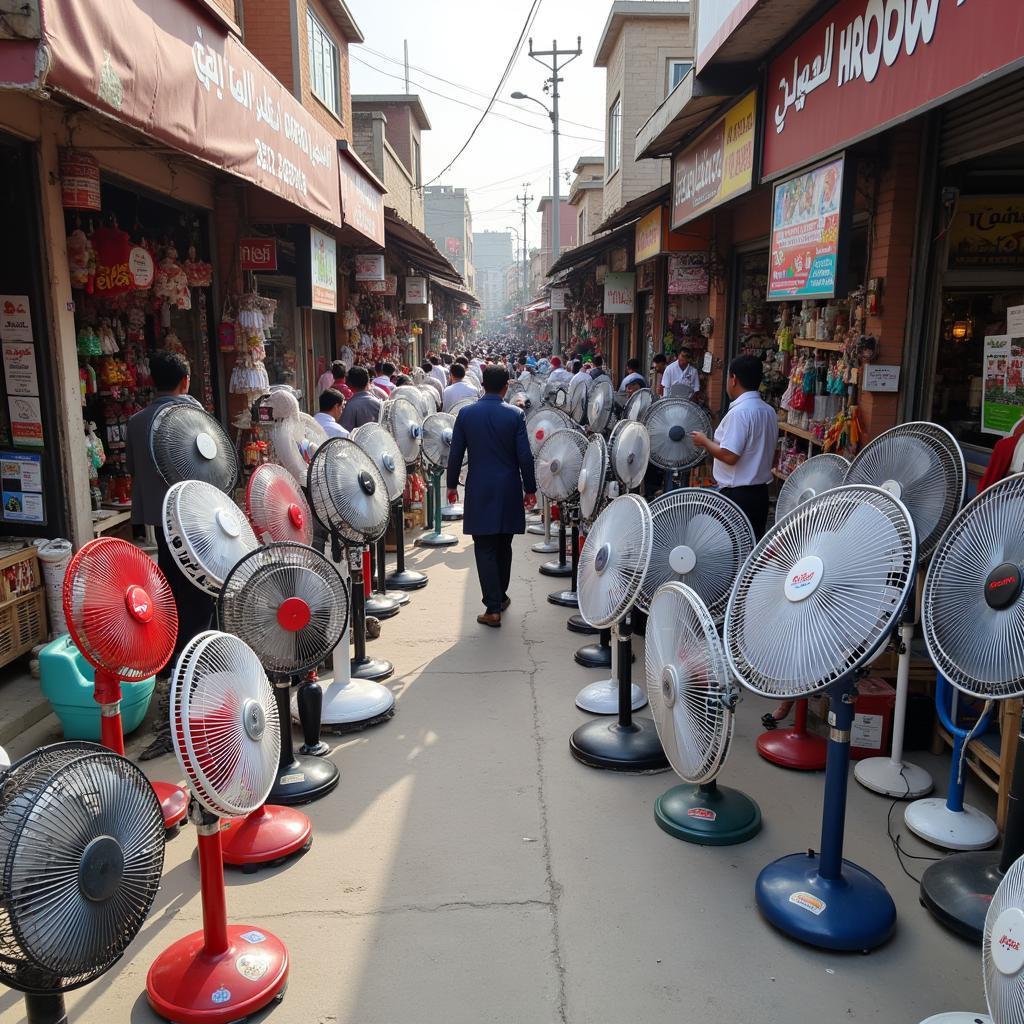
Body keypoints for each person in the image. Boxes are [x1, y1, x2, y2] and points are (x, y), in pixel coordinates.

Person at [125, 351, 215, 757]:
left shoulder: (136, 422)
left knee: (170, 585)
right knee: (201, 589)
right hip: (195, 518)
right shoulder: (192, 417)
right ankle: (197, 666)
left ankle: (175, 659)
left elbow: (132, 468)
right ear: (185, 381)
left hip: (160, 520)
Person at [447, 364, 537, 627]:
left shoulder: (466, 414)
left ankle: (493, 606)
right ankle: (500, 596)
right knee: (503, 544)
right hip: (508, 487)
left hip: (480, 488)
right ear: (506, 387)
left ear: (482, 385)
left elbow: (455, 453)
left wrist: (451, 485)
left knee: (485, 546)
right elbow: (525, 456)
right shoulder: (515, 415)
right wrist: (529, 489)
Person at [691, 354, 778, 539]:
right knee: (752, 551)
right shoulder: (769, 411)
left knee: (734, 553)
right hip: (760, 494)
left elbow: (730, 456)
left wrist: (704, 441)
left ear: (734, 379)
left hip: (738, 496)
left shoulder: (740, 413)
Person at [340, 365, 382, 430]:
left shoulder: (350, 406)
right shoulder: (379, 402)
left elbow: (345, 432)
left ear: (348, 384)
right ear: (368, 381)